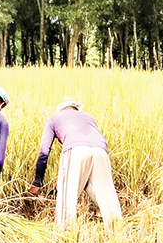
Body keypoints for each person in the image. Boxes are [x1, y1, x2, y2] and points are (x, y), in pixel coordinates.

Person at [26, 98, 122, 230]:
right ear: (77, 109)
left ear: (61, 110)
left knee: (66, 200)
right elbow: (86, 174)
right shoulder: (89, 117)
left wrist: (37, 183)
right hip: (101, 151)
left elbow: (44, 151)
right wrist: (64, 179)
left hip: (76, 149)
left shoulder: (55, 118)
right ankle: (116, 230)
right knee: (107, 195)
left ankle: (65, 233)